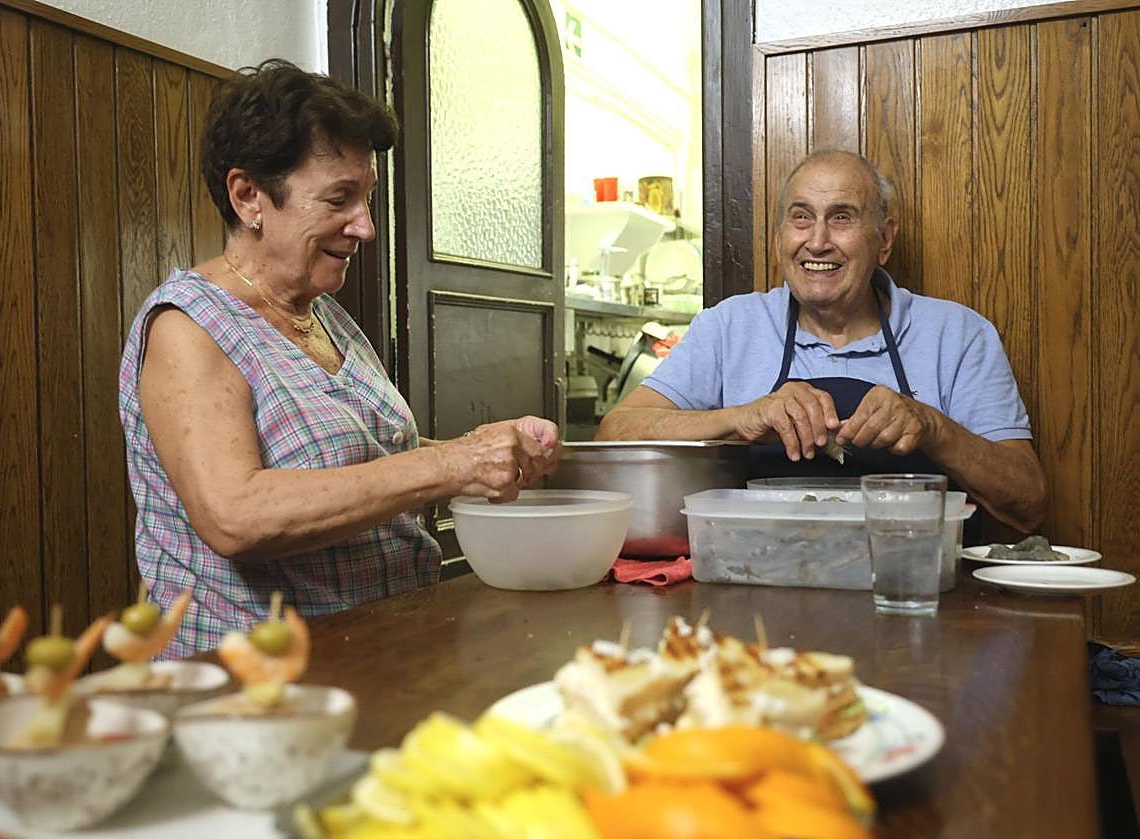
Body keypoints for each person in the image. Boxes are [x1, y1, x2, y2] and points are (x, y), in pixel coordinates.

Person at [118, 59, 561, 657]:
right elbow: (235, 516)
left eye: (368, 197)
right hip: (250, 686)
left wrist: (482, 448)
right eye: (338, 200)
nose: (367, 227)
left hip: (371, 652)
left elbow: (358, 458)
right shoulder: (189, 326)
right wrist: (455, 466)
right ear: (248, 194)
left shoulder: (325, 313)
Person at [596, 150, 1046, 532]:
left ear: (883, 240)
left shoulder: (958, 335)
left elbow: (1028, 503)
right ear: (778, 239)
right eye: (801, 218)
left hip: (915, 594)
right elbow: (615, 434)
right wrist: (741, 418)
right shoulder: (730, 326)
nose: (817, 242)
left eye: (842, 219)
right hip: (757, 586)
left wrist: (931, 427)